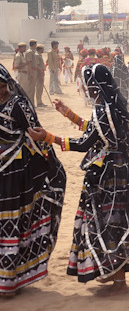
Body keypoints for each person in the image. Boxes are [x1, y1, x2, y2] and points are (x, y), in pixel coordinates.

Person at [29, 64, 129, 295]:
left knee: (109, 224)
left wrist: (48, 137)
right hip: (121, 173)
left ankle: (119, 281)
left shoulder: (104, 111)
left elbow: (84, 143)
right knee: (116, 222)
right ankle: (113, 272)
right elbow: (96, 131)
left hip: (108, 178)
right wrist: (68, 113)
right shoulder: (113, 107)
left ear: (94, 88)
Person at [0, 64, 66, 296]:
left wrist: (50, 162)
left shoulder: (18, 104)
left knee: (12, 222)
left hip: (16, 173)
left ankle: (9, 283)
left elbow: (35, 133)